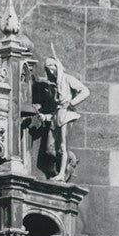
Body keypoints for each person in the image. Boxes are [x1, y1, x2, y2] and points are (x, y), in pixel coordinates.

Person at [42, 52, 89, 182]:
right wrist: (46, 117)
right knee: (49, 150)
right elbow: (55, 108)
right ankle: (70, 160)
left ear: (57, 66)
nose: (50, 70)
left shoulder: (68, 79)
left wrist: (72, 102)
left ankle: (62, 174)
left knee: (63, 145)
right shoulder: (54, 85)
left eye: (51, 66)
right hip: (57, 116)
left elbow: (85, 91)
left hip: (67, 115)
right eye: (47, 67)